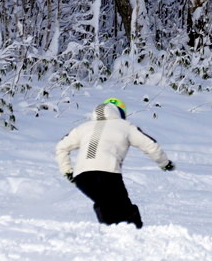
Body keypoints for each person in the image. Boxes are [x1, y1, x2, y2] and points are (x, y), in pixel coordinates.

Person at [55, 98, 174, 228]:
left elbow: (61, 147)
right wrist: (164, 163)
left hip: (82, 177)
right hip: (107, 173)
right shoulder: (125, 126)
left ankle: (111, 235)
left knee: (104, 203)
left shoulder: (82, 128)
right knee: (122, 206)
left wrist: (67, 171)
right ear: (119, 112)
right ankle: (135, 233)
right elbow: (150, 145)